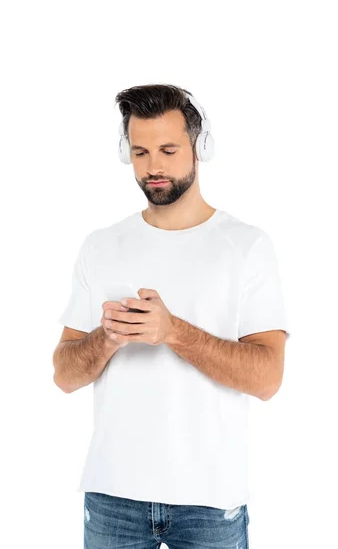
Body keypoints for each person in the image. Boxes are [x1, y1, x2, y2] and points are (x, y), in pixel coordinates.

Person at [53, 83, 290, 549]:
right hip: (112, 495)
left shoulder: (246, 246)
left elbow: (268, 378)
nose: (153, 167)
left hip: (210, 500)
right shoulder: (101, 246)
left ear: (201, 148)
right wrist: (107, 339)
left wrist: (174, 332)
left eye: (167, 149)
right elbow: (62, 375)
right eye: (140, 152)